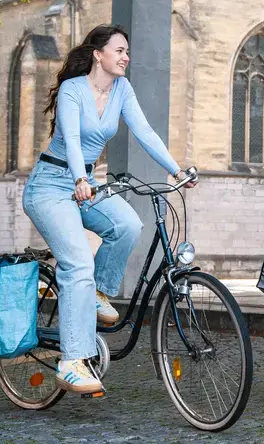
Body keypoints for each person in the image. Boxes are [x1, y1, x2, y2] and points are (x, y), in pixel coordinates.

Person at [23, 24, 195, 394]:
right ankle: (72, 361)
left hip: (86, 182)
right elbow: (69, 136)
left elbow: (145, 131)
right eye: (119, 50)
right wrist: (78, 179)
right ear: (98, 54)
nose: (125, 57)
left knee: (128, 225)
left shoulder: (122, 89)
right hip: (52, 184)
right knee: (78, 263)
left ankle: (98, 293)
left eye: (127, 51)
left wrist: (176, 170)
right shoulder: (73, 90)